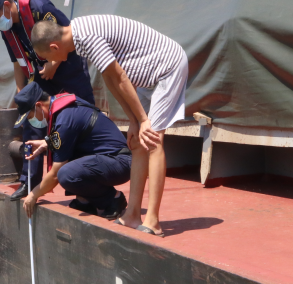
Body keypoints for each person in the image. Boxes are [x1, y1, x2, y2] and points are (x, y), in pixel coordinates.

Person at [30, 14, 187, 238]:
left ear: (54, 46)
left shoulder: (87, 36)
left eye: (49, 57)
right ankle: (133, 214)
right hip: (147, 76)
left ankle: (153, 220)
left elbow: (120, 76)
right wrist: (133, 120)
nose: (57, 61)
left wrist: (143, 120)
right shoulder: (80, 39)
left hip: (167, 67)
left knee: (153, 139)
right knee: (137, 143)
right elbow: (109, 79)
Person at [0, 0, 95, 201]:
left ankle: (84, 187)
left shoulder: (38, 8)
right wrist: (20, 92)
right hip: (40, 75)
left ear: (6, 5)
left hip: (68, 68)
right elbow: (17, 62)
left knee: (81, 121)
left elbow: (67, 33)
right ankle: (29, 181)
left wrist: (53, 63)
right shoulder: (7, 31)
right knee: (32, 124)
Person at [14, 83, 131, 220]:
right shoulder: (62, 106)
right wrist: (47, 143)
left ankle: (112, 199)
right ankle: (86, 201)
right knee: (66, 157)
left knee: (65, 173)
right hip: (108, 159)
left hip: (120, 162)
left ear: (39, 105)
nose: (30, 121)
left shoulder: (65, 119)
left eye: (30, 116)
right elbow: (73, 134)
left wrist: (33, 195)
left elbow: (55, 175)